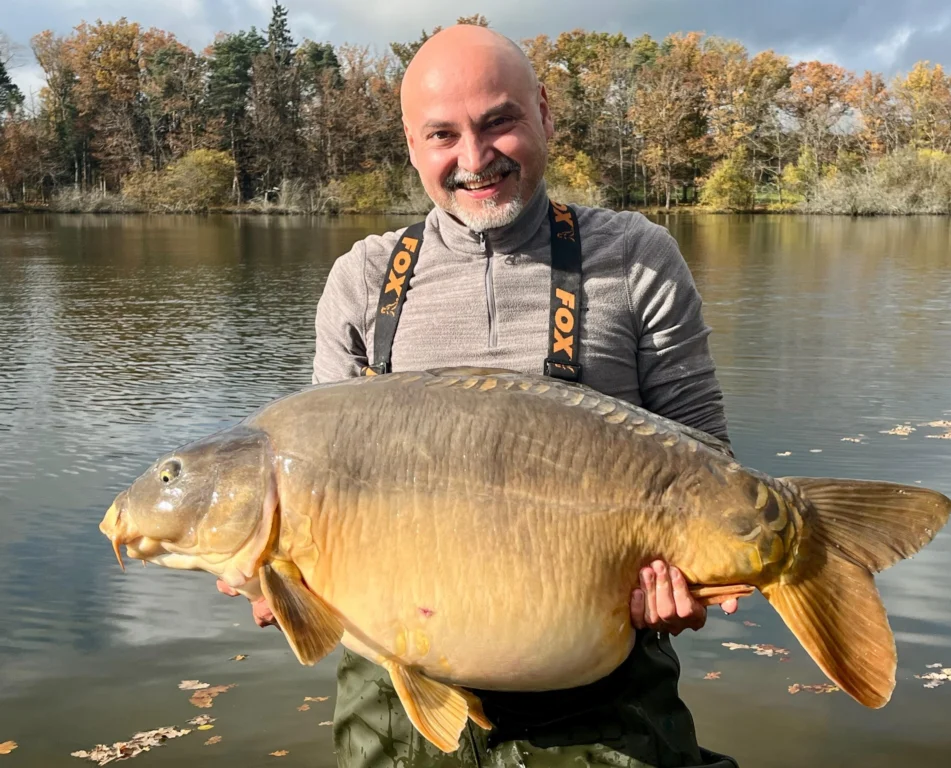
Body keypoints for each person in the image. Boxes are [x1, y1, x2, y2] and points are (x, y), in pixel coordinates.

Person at [219, 22, 742, 768]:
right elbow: (316, 492)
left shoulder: (635, 258)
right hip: (396, 696)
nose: (474, 158)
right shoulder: (361, 281)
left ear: (545, 115)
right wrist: (276, 577)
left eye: (499, 122)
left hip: (599, 693)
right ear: (411, 145)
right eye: (442, 135)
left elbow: (710, 467)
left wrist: (689, 580)